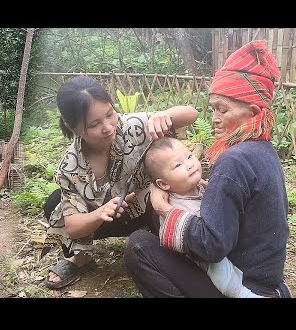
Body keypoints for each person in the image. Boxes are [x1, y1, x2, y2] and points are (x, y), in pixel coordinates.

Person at [124, 40, 292, 298]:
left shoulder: (234, 160)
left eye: (222, 110)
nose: (214, 117)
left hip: (246, 284)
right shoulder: (263, 149)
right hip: (267, 277)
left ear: (253, 111)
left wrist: (164, 209)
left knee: (138, 245)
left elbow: (211, 246)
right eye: (213, 108)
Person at [41, 75, 198, 290]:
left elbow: (191, 114)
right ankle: (81, 258)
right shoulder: (70, 167)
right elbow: (73, 227)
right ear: (71, 127)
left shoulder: (133, 127)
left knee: (163, 196)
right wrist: (99, 213)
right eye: (95, 124)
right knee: (54, 204)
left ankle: (166, 245)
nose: (108, 127)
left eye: (109, 114)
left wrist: (165, 114)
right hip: (106, 219)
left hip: (148, 208)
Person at [143, 136, 262, 298]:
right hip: (201, 260)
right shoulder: (177, 206)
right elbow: (199, 238)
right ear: (163, 184)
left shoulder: (200, 187)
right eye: (178, 165)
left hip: (223, 248)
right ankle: (242, 294)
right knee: (218, 267)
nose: (189, 164)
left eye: (189, 156)